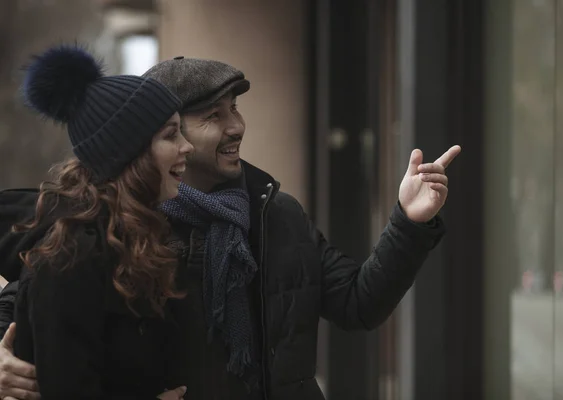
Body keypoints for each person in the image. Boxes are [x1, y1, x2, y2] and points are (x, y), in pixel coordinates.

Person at [0, 56, 460, 400]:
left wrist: (408, 222)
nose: (236, 125)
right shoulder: (120, 231)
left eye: (234, 109)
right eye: (212, 116)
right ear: (144, 144)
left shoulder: (275, 214)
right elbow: (33, 311)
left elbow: (359, 303)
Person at [0, 45, 193, 400]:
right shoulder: (73, 254)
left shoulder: (136, 236)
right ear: (128, 153)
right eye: (170, 135)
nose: (187, 147)